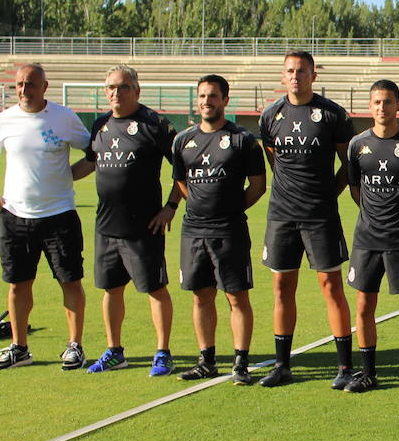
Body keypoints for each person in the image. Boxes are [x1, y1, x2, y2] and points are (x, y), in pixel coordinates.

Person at [0, 65, 92, 371]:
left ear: (45, 86)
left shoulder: (64, 117)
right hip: (15, 217)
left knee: (70, 282)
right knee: (18, 285)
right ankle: (19, 348)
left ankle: (74, 346)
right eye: (19, 84)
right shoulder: (4, 120)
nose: (23, 89)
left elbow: (93, 153)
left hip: (59, 216)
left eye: (30, 84)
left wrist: (68, 176)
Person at [74, 65, 180, 376]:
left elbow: (182, 170)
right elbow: (90, 164)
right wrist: (56, 178)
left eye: (122, 87)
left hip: (144, 227)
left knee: (155, 289)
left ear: (136, 90)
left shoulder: (155, 125)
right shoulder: (100, 125)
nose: (115, 93)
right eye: (110, 88)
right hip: (106, 226)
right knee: (111, 290)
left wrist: (170, 206)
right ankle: (114, 351)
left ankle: (163, 352)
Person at [259, 51, 356, 387]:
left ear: (313, 74)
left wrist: (330, 192)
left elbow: (350, 163)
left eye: (301, 70)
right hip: (281, 215)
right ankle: (282, 365)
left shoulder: (332, 115)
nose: (295, 76)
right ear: (283, 76)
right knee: (282, 288)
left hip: (320, 216)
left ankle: (345, 368)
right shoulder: (270, 115)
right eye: (289, 70)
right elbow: (274, 160)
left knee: (331, 286)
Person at [170, 75, 266, 384]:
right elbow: (181, 181)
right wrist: (199, 204)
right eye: (202, 96)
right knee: (201, 296)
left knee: (236, 297)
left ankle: (240, 362)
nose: (206, 101)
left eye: (213, 96)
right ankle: (207, 359)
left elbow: (258, 186)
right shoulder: (183, 140)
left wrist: (231, 209)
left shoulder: (243, 140)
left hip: (230, 230)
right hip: (193, 231)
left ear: (225, 100)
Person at [344, 79, 399, 395]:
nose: (382, 107)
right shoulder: (358, 145)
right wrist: (372, 214)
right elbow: (355, 189)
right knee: (364, 305)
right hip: (366, 240)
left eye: (388, 102)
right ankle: (368, 373)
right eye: (377, 102)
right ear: (370, 106)